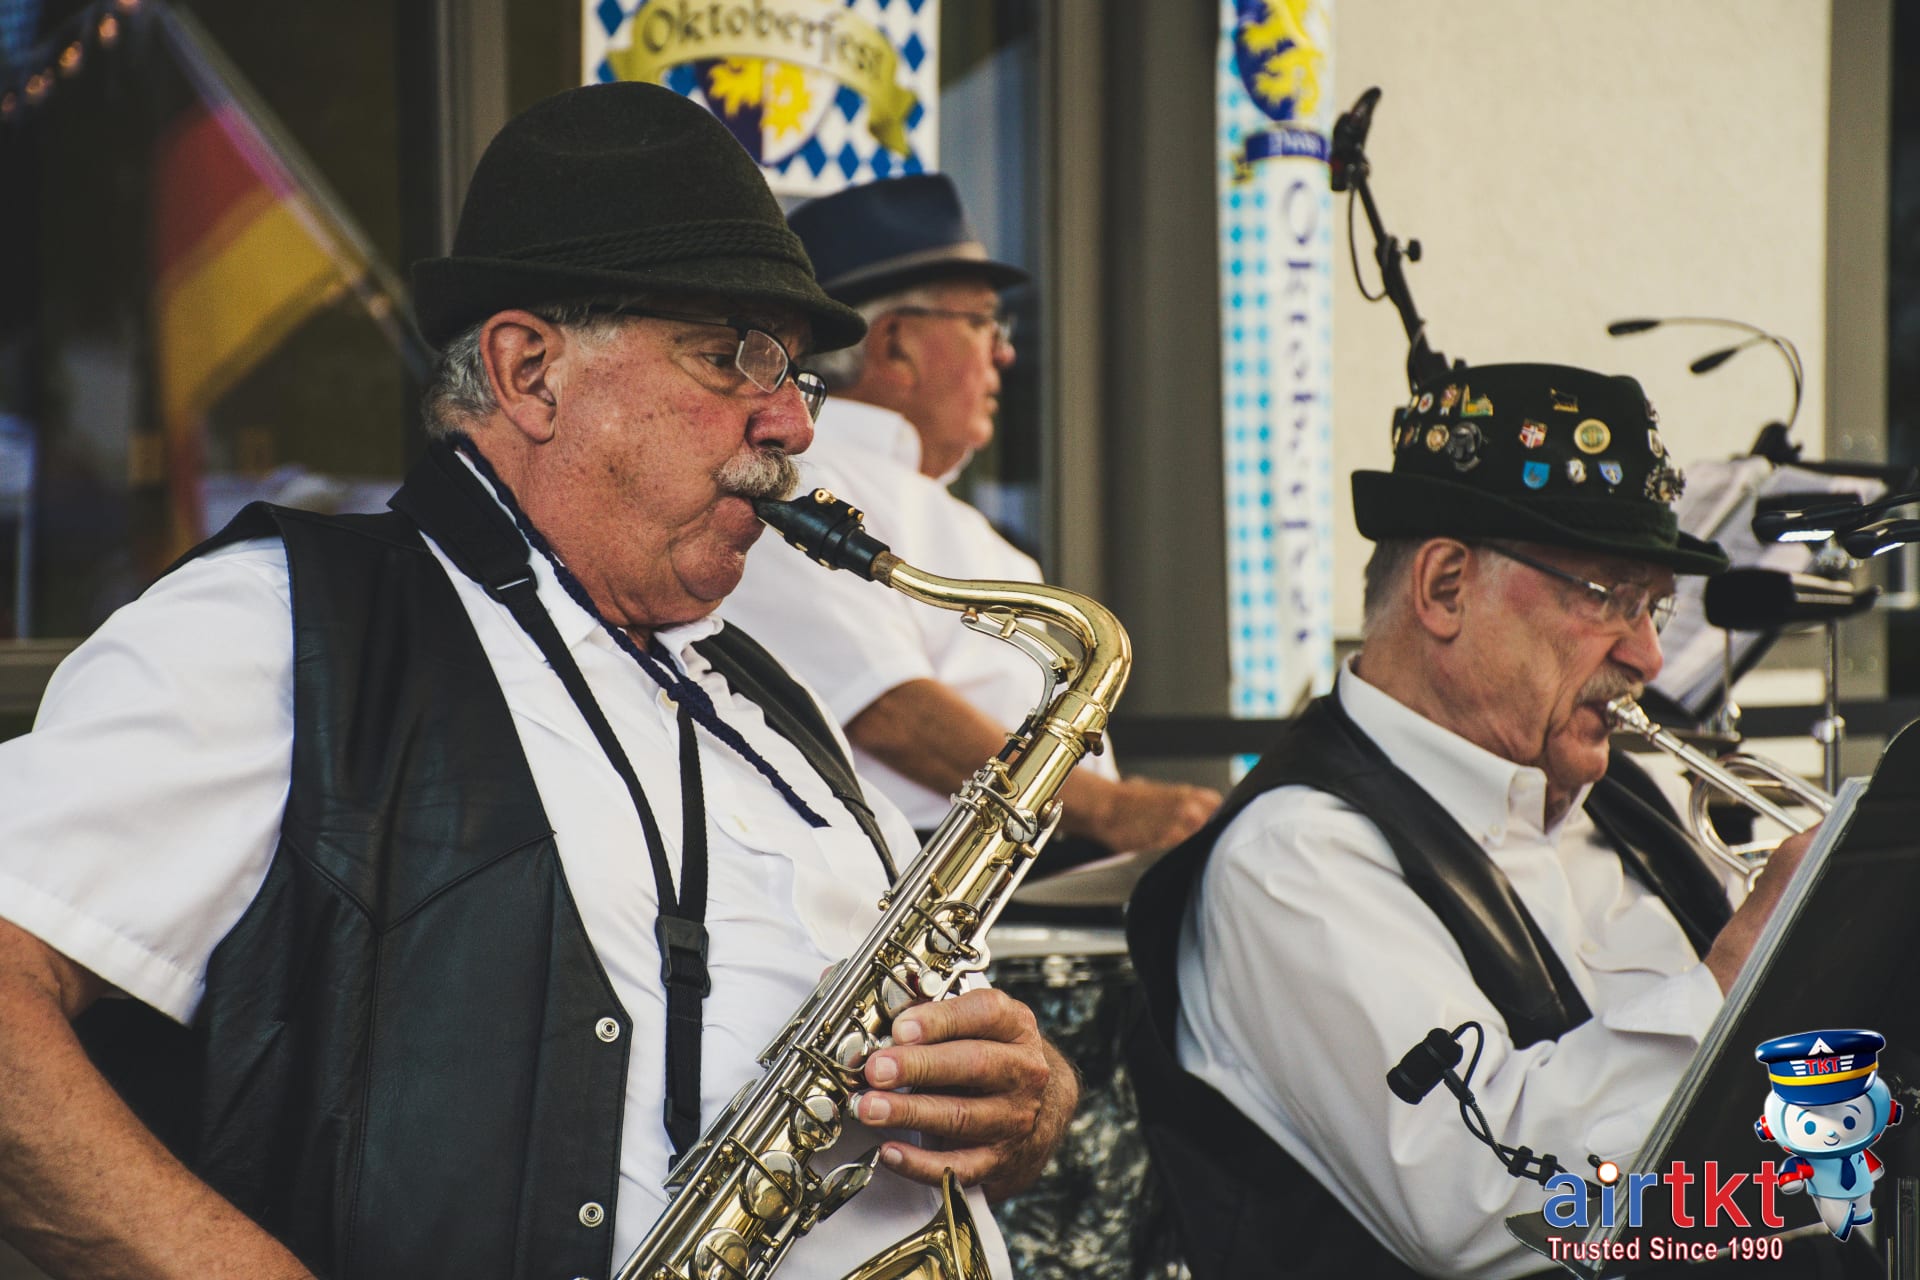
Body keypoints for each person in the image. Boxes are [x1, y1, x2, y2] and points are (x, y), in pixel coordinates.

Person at [0, 82, 1075, 1280]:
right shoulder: (283, 623)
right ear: (528, 369)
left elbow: (984, 1071)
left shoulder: (767, 697)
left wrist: (1024, 1098)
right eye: (733, 357)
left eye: (797, 377)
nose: (793, 424)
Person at [1125, 363, 1824, 1279]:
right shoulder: (1296, 856)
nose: (1649, 654)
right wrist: (1745, 973)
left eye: (1655, 606)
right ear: (1447, 587)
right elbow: (1482, 1199)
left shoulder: (1624, 802)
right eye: (1608, 596)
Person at [722, 174, 1219, 866]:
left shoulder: (951, 516)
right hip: (909, 881)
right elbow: (888, 712)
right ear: (895, 344)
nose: (1006, 353)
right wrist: (1113, 809)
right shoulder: (799, 479)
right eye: (984, 321)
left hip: (1038, 874)